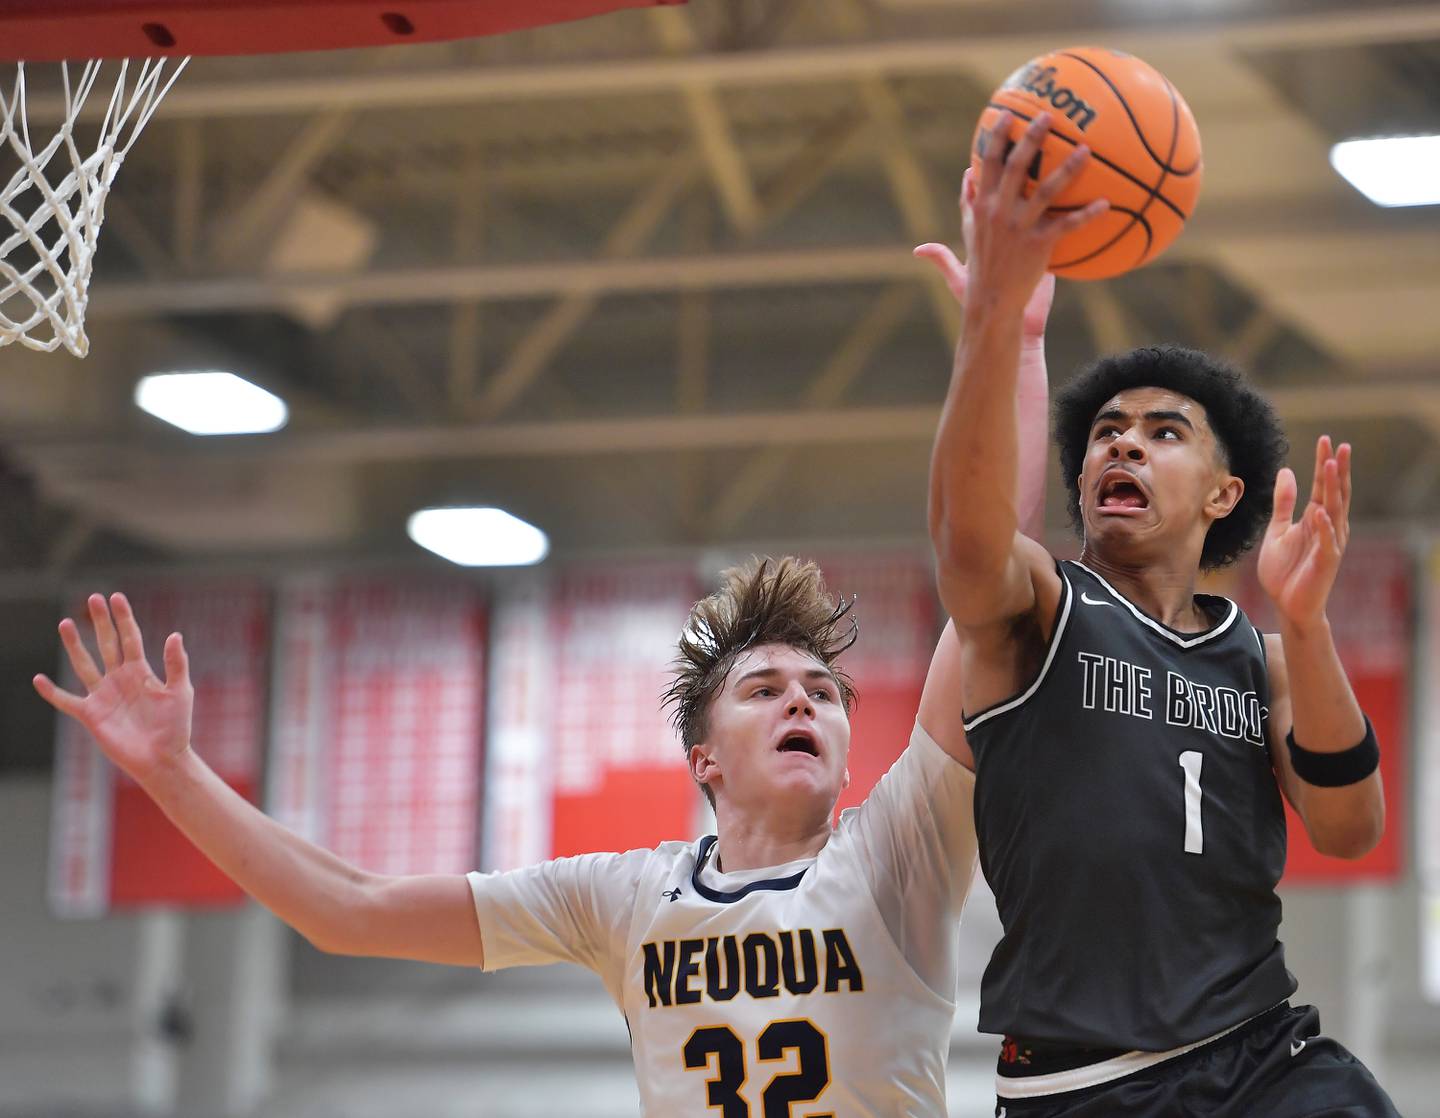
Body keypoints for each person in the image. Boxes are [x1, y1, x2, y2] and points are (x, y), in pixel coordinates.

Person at [33, 204, 1078, 1113]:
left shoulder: (895, 853)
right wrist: (172, 770)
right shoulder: (626, 897)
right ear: (704, 758)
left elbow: (985, 576)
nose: (801, 700)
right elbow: (345, 908)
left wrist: (1010, 344)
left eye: (820, 691)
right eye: (763, 687)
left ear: (852, 746)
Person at [919, 107, 1401, 1116]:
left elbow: (1352, 828)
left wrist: (1308, 626)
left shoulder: (1258, 656)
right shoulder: (1043, 611)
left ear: (1227, 492)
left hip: (1261, 1056)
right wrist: (994, 318)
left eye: (1162, 432)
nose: (1121, 447)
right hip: (1080, 1084)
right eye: (1104, 433)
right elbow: (967, 540)